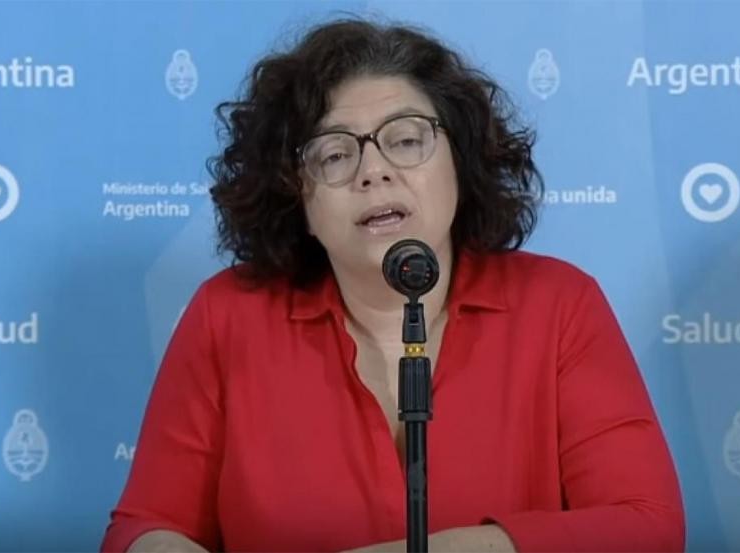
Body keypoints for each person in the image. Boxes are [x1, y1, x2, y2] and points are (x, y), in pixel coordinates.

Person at [101, 17, 684, 553]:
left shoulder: (557, 304)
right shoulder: (227, 315)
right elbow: (144, 528)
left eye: (406, 140)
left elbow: (646, 526)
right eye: (334, 154)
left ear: (460, 160)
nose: (374, 171)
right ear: (294, 194)